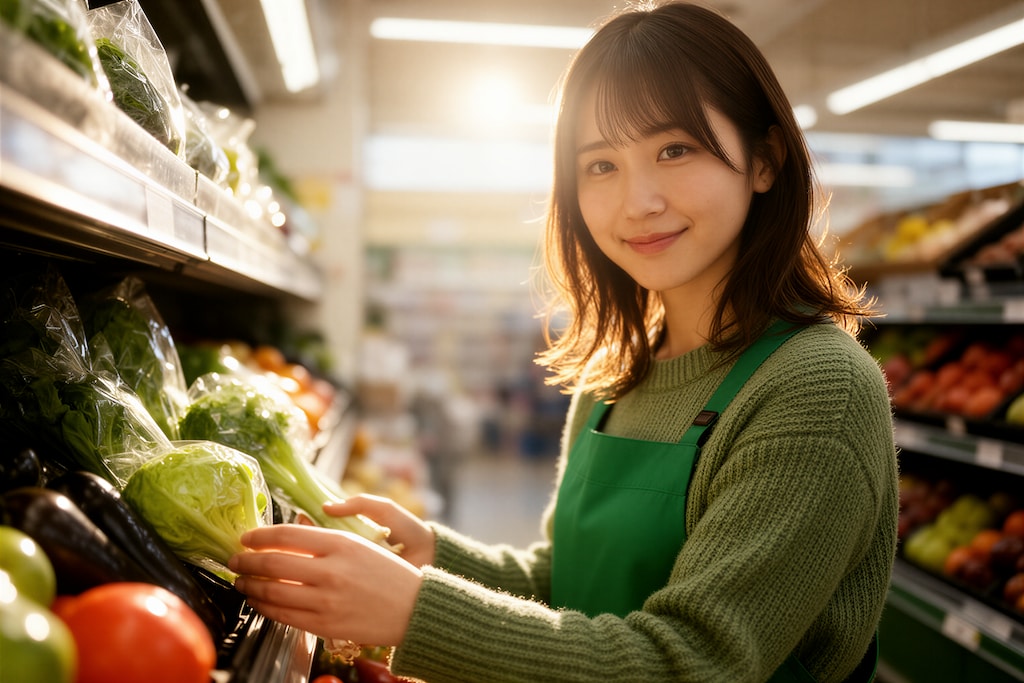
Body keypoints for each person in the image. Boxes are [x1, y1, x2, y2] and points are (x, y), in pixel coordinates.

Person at [227, 2, 899, 681]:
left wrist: (414, 611)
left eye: (674, 149)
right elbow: (567, 579)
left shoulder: (818, 388)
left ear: (764, 159)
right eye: (600, 164)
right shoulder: (620, 374)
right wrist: (433, 554)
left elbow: (694, 661)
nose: (637, 200)